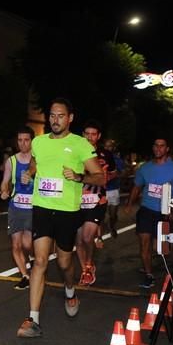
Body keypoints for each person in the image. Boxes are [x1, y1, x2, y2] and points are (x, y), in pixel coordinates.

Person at [17, 98, 104, 338]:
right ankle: (32, 319)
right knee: (40, 261)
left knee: (65, 263)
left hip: (67, 212)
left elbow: (99, 177)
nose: (56, 120)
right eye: (52, 116)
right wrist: (29, 174)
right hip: (42, 208)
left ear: (70, 118)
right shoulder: (39, 142)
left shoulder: (80, 144)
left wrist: (78, 176)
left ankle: (70, 290)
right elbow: (35, 164)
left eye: (61, 116)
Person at [124, 138, 173, 289]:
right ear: (153, 148)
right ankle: (149, 275)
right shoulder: (144, 168)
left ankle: (157, 263)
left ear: (167, 149)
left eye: (162, 146)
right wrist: (129, 204)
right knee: (144, 242)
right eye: (156, 145)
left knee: (161, 248)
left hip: (165, 212)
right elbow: (137, 187)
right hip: (146, 209)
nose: (158, 148)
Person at [75, 121, 115, 286]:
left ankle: (89, 263)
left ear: (98, 136)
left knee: (87, 237)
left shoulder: (105, 154)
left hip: (97, 200)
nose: (90, 137)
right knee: (78, 240)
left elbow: (113, 173)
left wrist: (104, 179)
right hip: (76, 201)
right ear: (83, 135)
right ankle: (85, 270)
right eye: (87, 133)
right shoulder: (75, 152)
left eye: (94, 134)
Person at [0, 127, 35, 290]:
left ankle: (34, 257)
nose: (23, 143)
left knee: (27, 244)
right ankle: (25, 276)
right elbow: (5, 180)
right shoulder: (11, 161)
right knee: (16, 245)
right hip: (16, 207)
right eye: (20, 140)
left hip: (33, 208)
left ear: (32, 141)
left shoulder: (38, 160)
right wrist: (4, 190)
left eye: (26, 140)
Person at [103, 138, 125, 238]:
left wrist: (114, 174)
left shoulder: (118, 160)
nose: (107, 148)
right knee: (100, 214)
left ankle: (112, 225)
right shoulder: (98, 158)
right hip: (102, 190)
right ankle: (99, 234)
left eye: (110, 146)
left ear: (113, 147)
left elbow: (121, 173)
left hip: (113, 190)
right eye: (106, 146)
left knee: (113, 214)